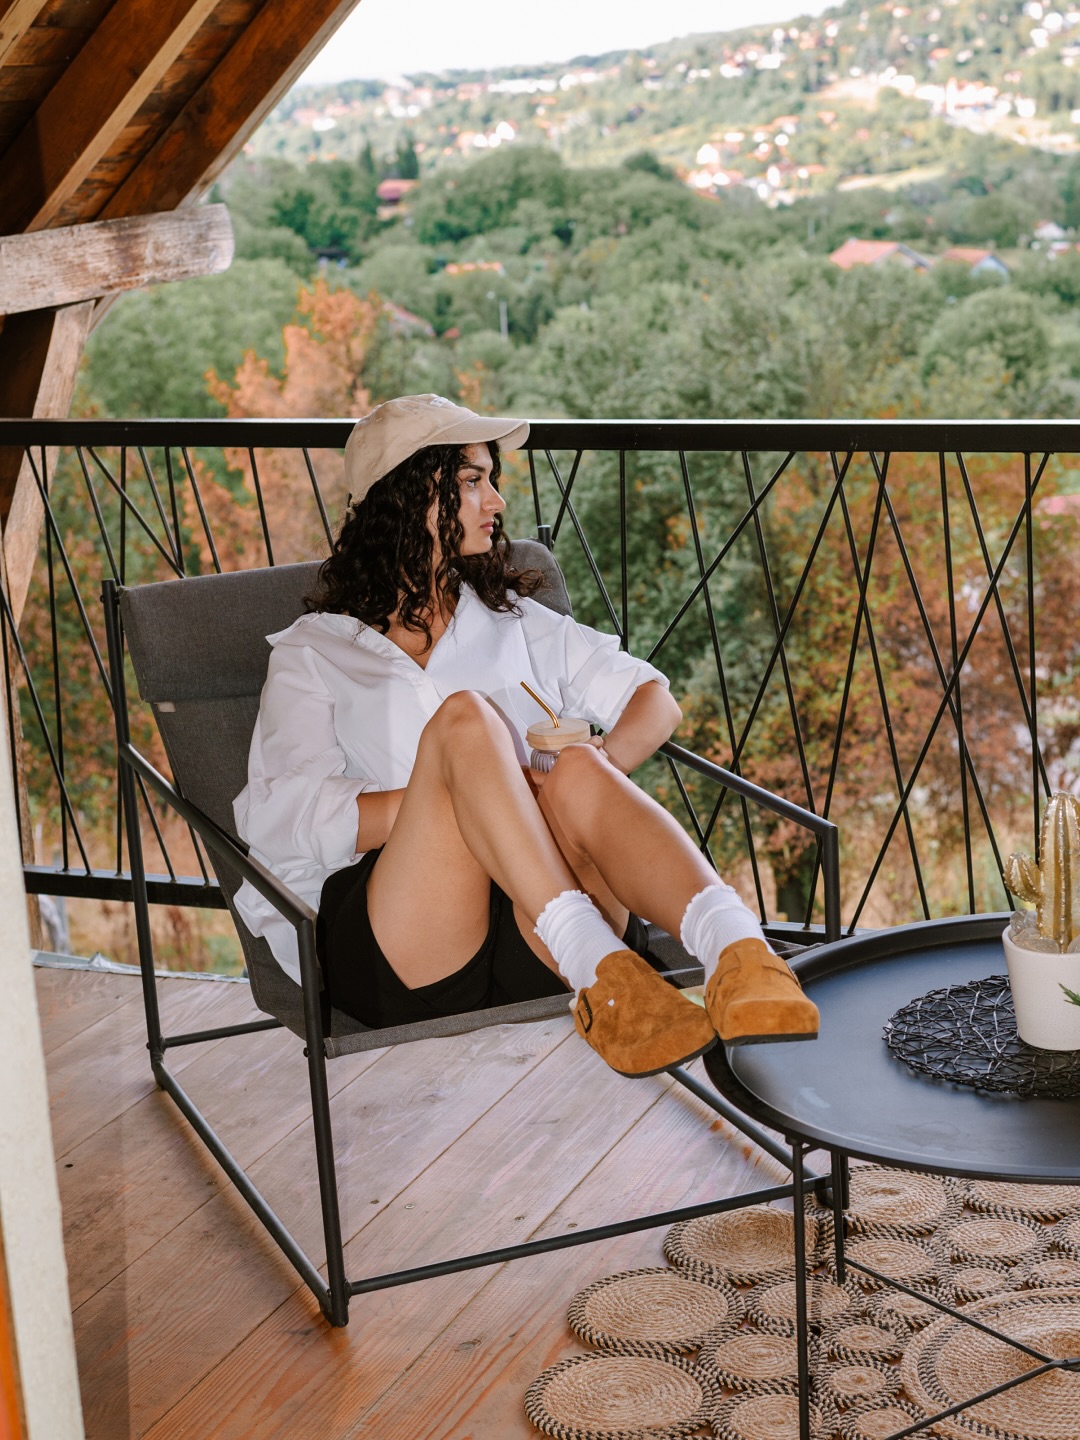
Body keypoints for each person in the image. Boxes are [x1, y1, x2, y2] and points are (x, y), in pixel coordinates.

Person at [232, 394, 818, 1077]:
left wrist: (584, 768)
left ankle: (738, 955)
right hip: (404, 947)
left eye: (491, 480)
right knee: (468, 722)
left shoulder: (512, 621)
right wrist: (472, 791)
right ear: (406, 498)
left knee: (581, 768)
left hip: (534, 940)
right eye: (472, 481)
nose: (497, 501)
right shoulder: (314, 652)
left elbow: (653, 700)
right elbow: (282, 817)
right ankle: (599, 966)